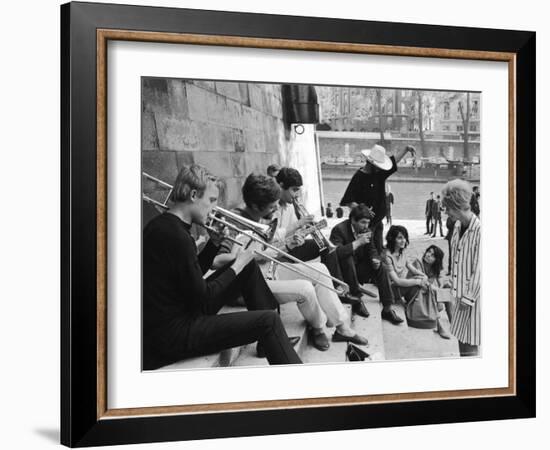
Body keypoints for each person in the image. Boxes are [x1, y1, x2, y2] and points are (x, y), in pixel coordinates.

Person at [142, 164, 302, 370]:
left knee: (248, 267)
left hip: (181, 312)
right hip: (174, 335)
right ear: (193, 195)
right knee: (268, 321)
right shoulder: (176, 236)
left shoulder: (167, 226)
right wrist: (237, 264)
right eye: (211, 200)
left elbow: (191, 278)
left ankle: (268, 343)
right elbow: (204, 299)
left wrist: (213, 244)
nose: (214, 208)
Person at [213, 173, 368, 348]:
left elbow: (268, 252)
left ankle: (342, 327)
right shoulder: (234, 221)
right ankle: (318, 328)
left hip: (268, 271)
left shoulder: (260, 218)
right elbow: (216, 260)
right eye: (272, 207)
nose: (274, 211)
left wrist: (288, 245)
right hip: (248, 287)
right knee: (305, 288)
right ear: (256, 205)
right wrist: (248, 256)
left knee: (321, 269)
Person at [274, 167, 371, 317]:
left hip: (290, 247)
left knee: (326, 246)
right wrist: (298, 224)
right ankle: (341, 290)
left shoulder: (290, 206)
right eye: (294, 190)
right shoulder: (271, 207)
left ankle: (337, 287)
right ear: (280, 185)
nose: (296, 195)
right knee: (336, 252)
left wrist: (308, 229)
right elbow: (274, 237)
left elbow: (293, 234)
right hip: (277, 253)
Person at [329, 204, 404, 325]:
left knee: (382, 267)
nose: (366, 226)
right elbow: (335, 254)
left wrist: (375, 260)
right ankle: (357, 300)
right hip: (342, 274)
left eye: (368, 223)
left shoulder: (367, 230)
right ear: (353, 220)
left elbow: (372, 250)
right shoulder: (339, 230)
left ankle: (387, 308)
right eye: (363, 222)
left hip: (358, 270)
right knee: (347, 257)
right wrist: (357, 243)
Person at [340, 144, 416, 253]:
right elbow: (349, 201)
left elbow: (393, 161)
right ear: (371, 164)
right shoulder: (358, 177)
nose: (381, 168)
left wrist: (405, 149)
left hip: (378, 221)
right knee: (369, 253)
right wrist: (363, 209)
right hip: (365, 225)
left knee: (378, 249)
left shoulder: (379, 173)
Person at [441, 179, 481, 357]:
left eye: (447, 208)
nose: (445, 212)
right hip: (458, 293)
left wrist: (468, 298)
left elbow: (480, 270)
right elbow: (457, 259)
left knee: (470, 341)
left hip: (472, 297)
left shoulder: (480, 231)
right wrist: (451, 280)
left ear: (456, 206)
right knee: (460, 337)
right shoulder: (457, 226)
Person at [382, 225, 429, 324]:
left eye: (404, 237)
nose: (403, 240)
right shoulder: (387, 256)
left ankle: (417, 308)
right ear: (392, 238)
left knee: (419, 280)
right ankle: (414, 310)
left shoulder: (401, 252)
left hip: (398, 287)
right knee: (417, 284)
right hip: (388, 290)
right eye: (399, 238)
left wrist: (424, 276)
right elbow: (397, 281)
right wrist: (418, 281)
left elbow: (412, 268)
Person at [411, 245, 453, 339]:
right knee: (433, 291)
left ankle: (452, 320)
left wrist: (442, 292)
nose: (428, 255)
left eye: (433, 255)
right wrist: (439, 294)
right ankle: (440, 327)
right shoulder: (418, 262)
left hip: (426, 291)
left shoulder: (435, 267)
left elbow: (441, 278)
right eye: (428, 251)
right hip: (413, 291)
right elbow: (423, 282)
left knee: (447, 287)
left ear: (436, 260)